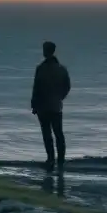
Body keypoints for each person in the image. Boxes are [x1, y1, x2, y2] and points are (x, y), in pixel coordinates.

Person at [31, 41, 71, 171]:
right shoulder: (61, 69)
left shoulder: (41, 69)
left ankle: (51, 159)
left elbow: (36, 88)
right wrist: (60, 97)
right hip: (55, 105)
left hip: (44, 105)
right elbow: (67, 87)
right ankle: (60, 160)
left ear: (45, 51)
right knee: (58, 133)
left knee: (47, 134)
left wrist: (34, 104)